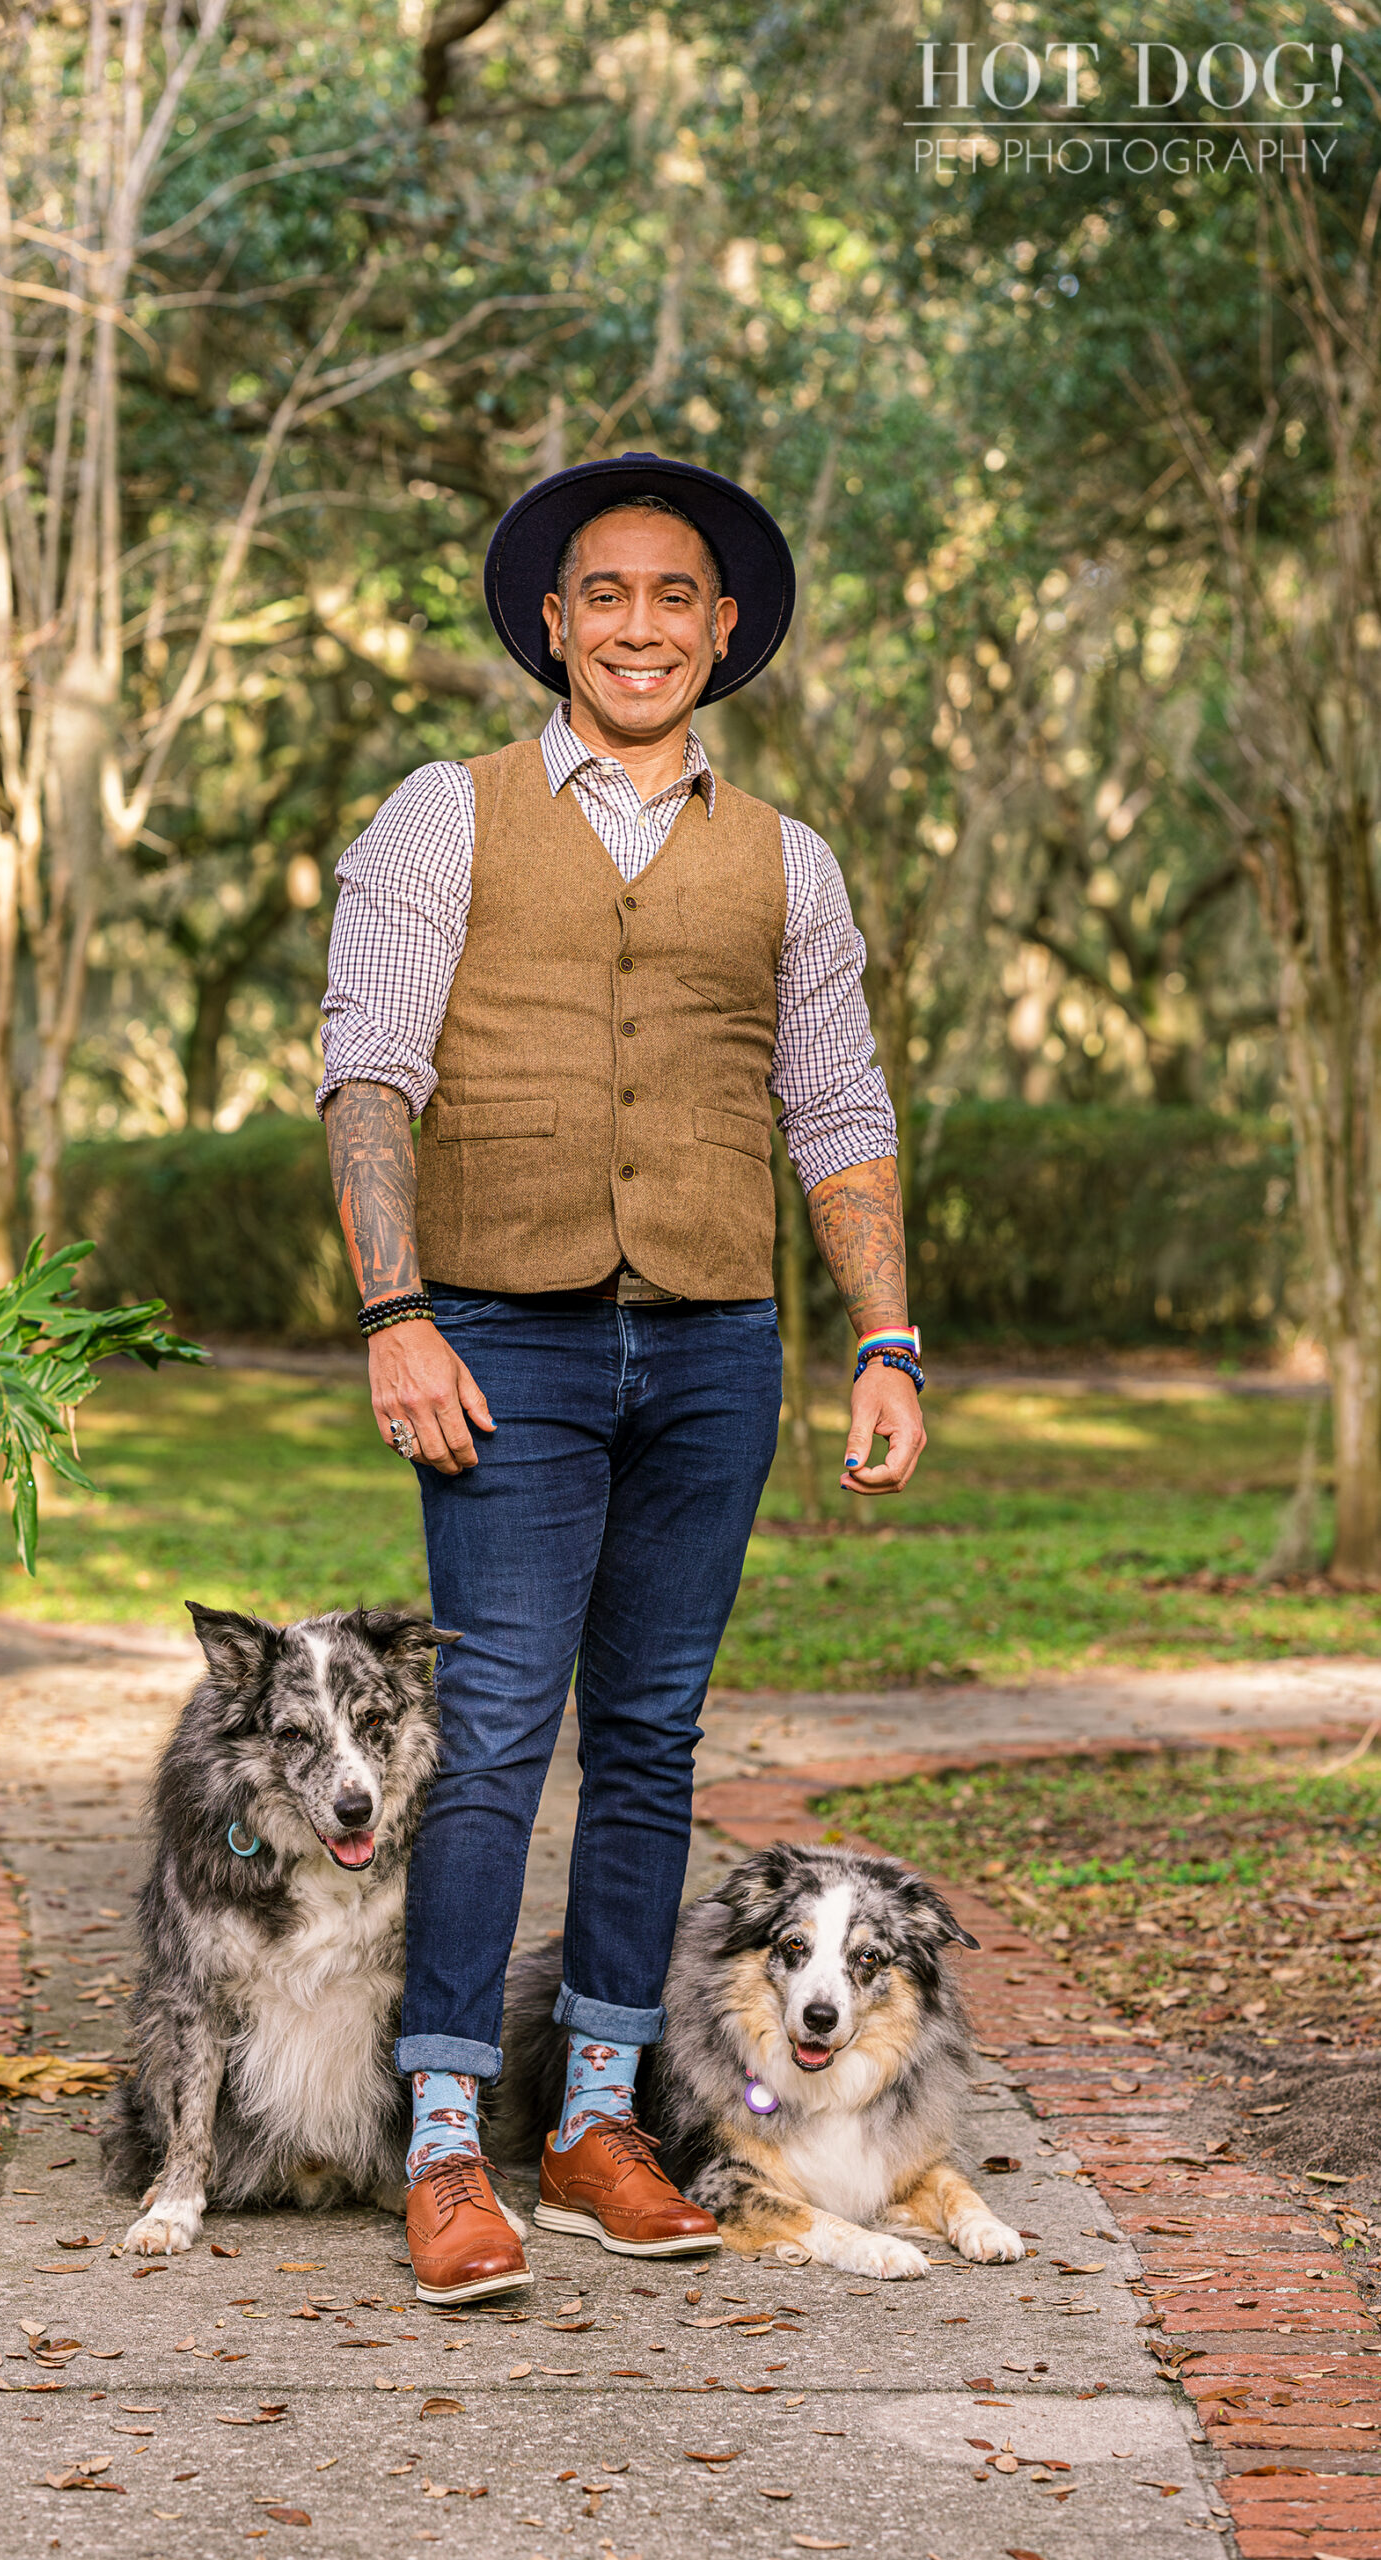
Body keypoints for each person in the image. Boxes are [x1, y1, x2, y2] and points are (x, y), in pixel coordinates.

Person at [318, 451, 925, 2304]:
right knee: (495, 1730)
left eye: (676, 598)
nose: (641, 626)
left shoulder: (789, 860)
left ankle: (593, 2120)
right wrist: (393, 1310)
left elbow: (836, 1110)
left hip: (718, 1344)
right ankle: (445, 2142)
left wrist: (885, 1338)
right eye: (606, 597)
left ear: (723, 630)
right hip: (500, 1335)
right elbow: (367, 1076)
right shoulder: (449, 815)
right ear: (554, 626)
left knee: (651, 1736)